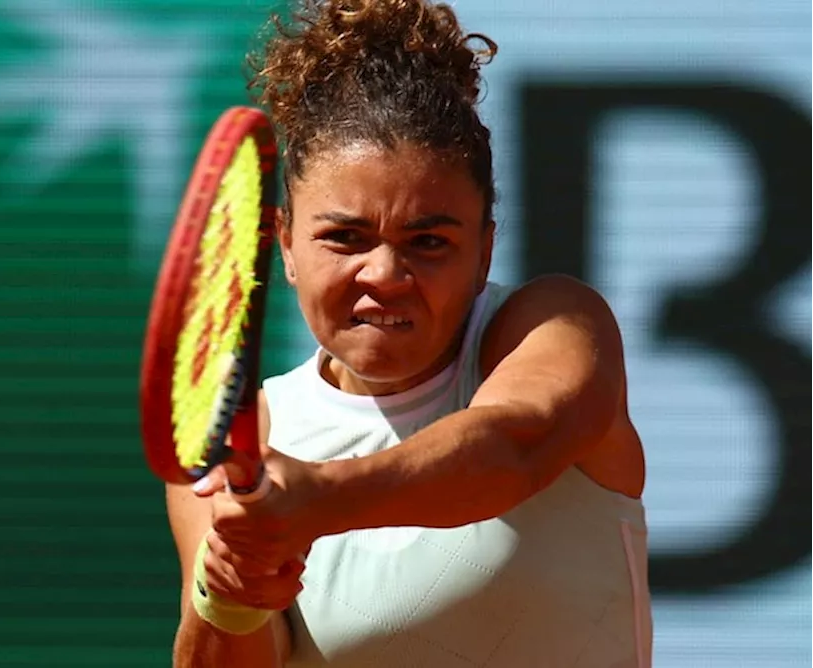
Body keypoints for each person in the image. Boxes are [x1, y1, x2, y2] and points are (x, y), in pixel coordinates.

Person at [164, 1, 653, 666]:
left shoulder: (555, 325)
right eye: (345, 237)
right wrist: (228, 592)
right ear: (283, 244)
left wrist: (318, 500)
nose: (386, 273)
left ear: (484, 252)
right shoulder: (242, 440)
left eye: (428, 241)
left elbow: (511, 448)